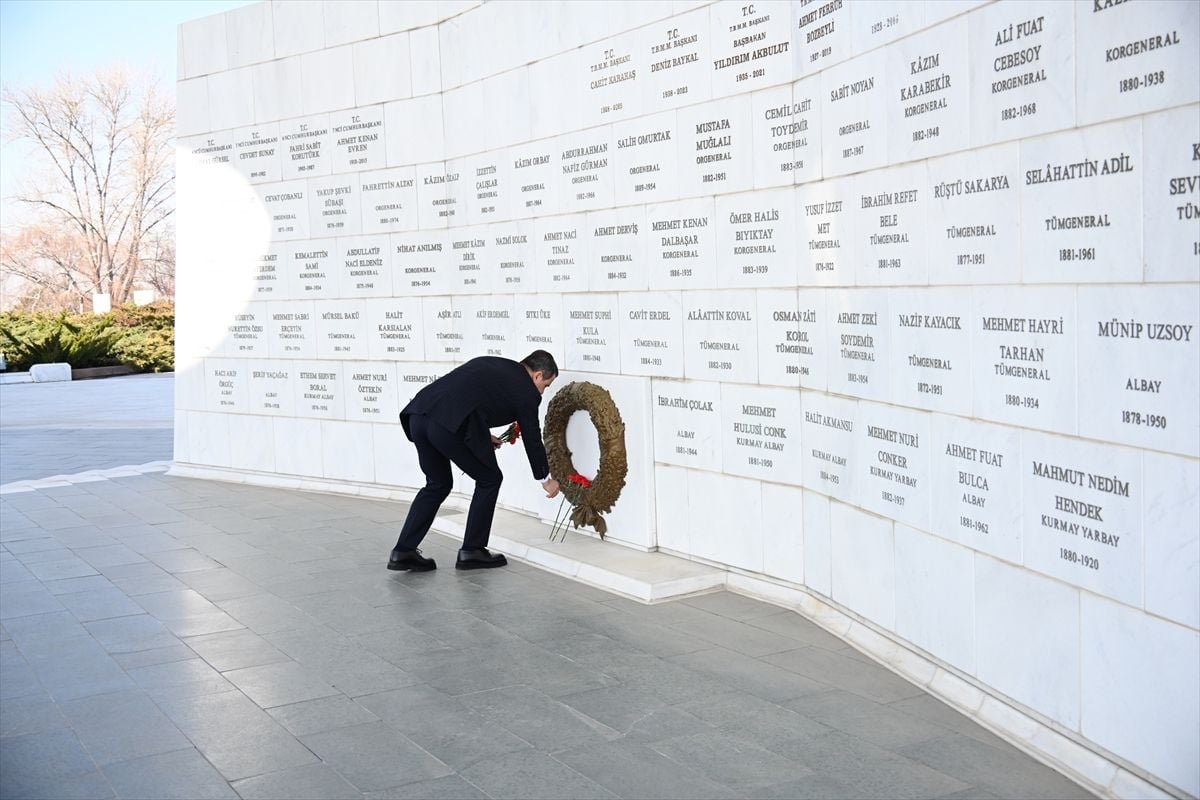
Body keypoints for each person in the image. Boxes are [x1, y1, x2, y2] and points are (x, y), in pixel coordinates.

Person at [388, 350, 562, 571]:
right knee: (490, 479)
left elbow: (467, 397)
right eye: (546, 385)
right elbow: (531, 434)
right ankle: (473, 550)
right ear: (538, 375)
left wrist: (481, 434)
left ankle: (403, 551)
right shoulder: (526, 389)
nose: (542, 391)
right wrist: (545, 478)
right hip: (445, 425)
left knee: (437, 484)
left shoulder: (494, 365)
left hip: (419, 416)